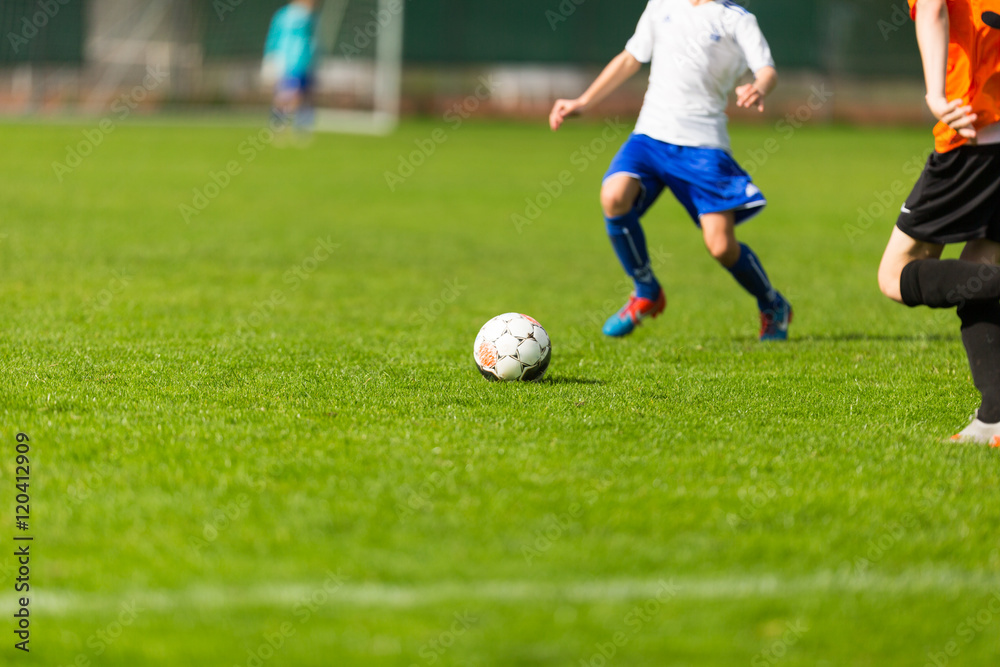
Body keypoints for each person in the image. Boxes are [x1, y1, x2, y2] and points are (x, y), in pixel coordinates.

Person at [549, 0, 792, 340]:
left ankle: (773, 304)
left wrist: (759, 87)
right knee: (613, 195)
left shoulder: (737, 19)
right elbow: (630, 58)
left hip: (703, 146)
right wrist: (583, 102)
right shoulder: (661, 4)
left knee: (721, 246)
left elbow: (767, 70)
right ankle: (646, 289)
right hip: (650, 136)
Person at [876, 0, 1000, 446]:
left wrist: (935, 95)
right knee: (981, 264)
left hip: (975, 129)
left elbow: (932, 8)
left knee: (895, 275)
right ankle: (994, 419)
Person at [263, 0, 319, 135]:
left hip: (304, 62)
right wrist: (270, 57)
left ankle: (300, 126)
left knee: (303, 94)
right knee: (287, 94)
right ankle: (280, 124)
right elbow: (274, 37)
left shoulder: (310, 16)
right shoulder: (287, 16)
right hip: (288, 61)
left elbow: (313, 41)